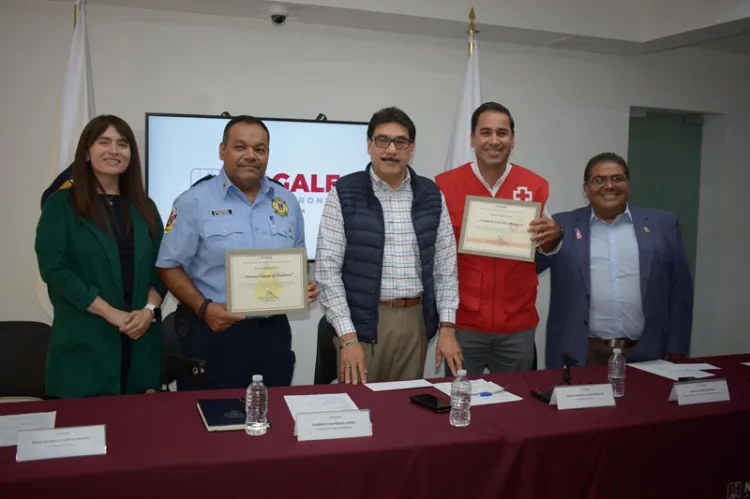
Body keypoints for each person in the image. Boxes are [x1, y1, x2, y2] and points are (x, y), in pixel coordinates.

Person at [156, 115, 318, 389]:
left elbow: (296, 261)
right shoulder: (193, 201)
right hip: (214, 332)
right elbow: (168, 266)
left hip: (273, 335)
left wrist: (301, 287)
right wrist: (204, 308)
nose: (251, 156)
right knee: (212, 423)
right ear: (222, 150)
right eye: (240, 147)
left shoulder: (287, 201)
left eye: (260, 149)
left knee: (272, 418)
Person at [315, 106, 462, 385]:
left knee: (405, 412)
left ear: (411, 148)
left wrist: (447, 327)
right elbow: (327, 271)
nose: (391, 149)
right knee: (358, 411)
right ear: (369, 145)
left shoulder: (431, 194)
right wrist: (347, 338)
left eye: (400, 142)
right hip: (362, 323)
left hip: (415, 322)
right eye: (382, 140)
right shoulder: (345, 192)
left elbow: (445, 267)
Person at [35, 115, 166, 398]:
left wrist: (148, 310)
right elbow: (54, 269)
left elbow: (163, 266)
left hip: (140, 338)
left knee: (139, 433)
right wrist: (111, 313)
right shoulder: (61, 205)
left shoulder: (145, 206)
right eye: (103, 142)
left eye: (123, 143)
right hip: (86, 342)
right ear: (86, 151)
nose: (114, 151)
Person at [435, 102, 562, 374]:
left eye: (502, 133)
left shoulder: (534, 185)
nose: (494, 141)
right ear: (472, 138)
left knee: (516, 408)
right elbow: (437, 256)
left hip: (517, 327)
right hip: (464, 325)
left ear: (512, 139)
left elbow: (547, 247)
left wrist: (554, 236)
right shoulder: (445, 186)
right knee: (460, 402)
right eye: (485, 132)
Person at [537, 152, 693, 367]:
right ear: (585, 189)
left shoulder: (663, 224)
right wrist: (549, 244)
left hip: (648, 351)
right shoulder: (561, 226)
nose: (609, 185)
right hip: (582, 353)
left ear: (628, 183)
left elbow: (681, 291)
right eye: (599, 180)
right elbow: (531, 268)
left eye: (617, 178)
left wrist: (677, 348)